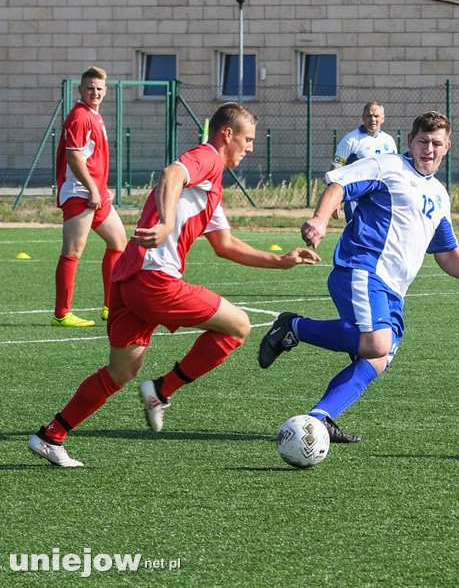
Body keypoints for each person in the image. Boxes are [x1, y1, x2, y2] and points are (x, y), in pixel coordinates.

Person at [28, 103, 321, 468]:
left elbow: (225, 245)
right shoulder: (208, 158)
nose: (249, 148)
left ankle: (50, 436)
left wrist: (280, 260)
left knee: (120, 373)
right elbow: (172, 173)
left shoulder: (209, 187)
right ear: (226, 134)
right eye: (246, 139)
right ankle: (162, 391)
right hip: (156, 283)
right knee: (239, 326)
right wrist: (167, 223)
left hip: (129, 280)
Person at [257, 110, 459, 444]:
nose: (429, 149)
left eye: (436, 143)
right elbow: (339, 183)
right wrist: (320, 220)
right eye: (423, 141)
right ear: (410, 141)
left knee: (379, 359)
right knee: (376, 343)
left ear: (447, 147)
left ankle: (320, 417)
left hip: (393, 291)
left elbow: (446, 254)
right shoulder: (387, 166)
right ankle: (293, 327)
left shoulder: (440, 195)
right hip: (362, 268)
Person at [53, 66, 128, 327]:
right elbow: (74, 157)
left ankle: (111, 306)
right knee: (73, 251)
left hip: (96, 193)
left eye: (99, 89)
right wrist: (93, 188)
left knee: (118, 242)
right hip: (80, 193)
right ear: (80, 89)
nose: (95, 92)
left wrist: (101, 187)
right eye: (90, 88)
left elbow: (90, 157)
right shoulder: (79, 116)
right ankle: (62, 314)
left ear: (106, 91)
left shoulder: (94, 115)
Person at [330, 102, 397, 221]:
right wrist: (334, 201)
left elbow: (394, 171)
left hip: (380, 199)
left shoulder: (389, 141)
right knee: (356, 235)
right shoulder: (350, 140)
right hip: (356, 198)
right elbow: (335, 171)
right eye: (369, 116)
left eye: (376, 116)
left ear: (383, 118)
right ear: (363, 117)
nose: (373, 119)